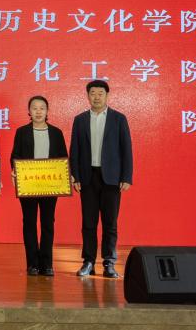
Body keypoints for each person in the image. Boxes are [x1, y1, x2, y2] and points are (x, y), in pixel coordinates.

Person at [69, 80, 133, 278]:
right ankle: (88, 262)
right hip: (88, 177)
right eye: (93, 93)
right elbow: (75, 150)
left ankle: (109, 262)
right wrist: (75, 175)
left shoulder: (118, 119)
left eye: (100, 93)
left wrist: (126, 176)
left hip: (112, 178)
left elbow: (126, 149)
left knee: (110, 223)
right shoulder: (80, 120)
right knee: (88, 223)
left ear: (107, 96)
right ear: (87, 96)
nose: (96, 97)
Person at [10, 95, 68, 276]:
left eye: (42, 108)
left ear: (47, 111)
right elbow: (15, 156)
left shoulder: (56, 133)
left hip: (50, 185)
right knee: (29, 223)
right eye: (34, 108)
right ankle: (32, 264)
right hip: (28, 185)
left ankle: (47, 264)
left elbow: (63, 158)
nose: (38, 111)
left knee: (47, 223)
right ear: (29, 111)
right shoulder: (22, 132)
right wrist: (15, 171)